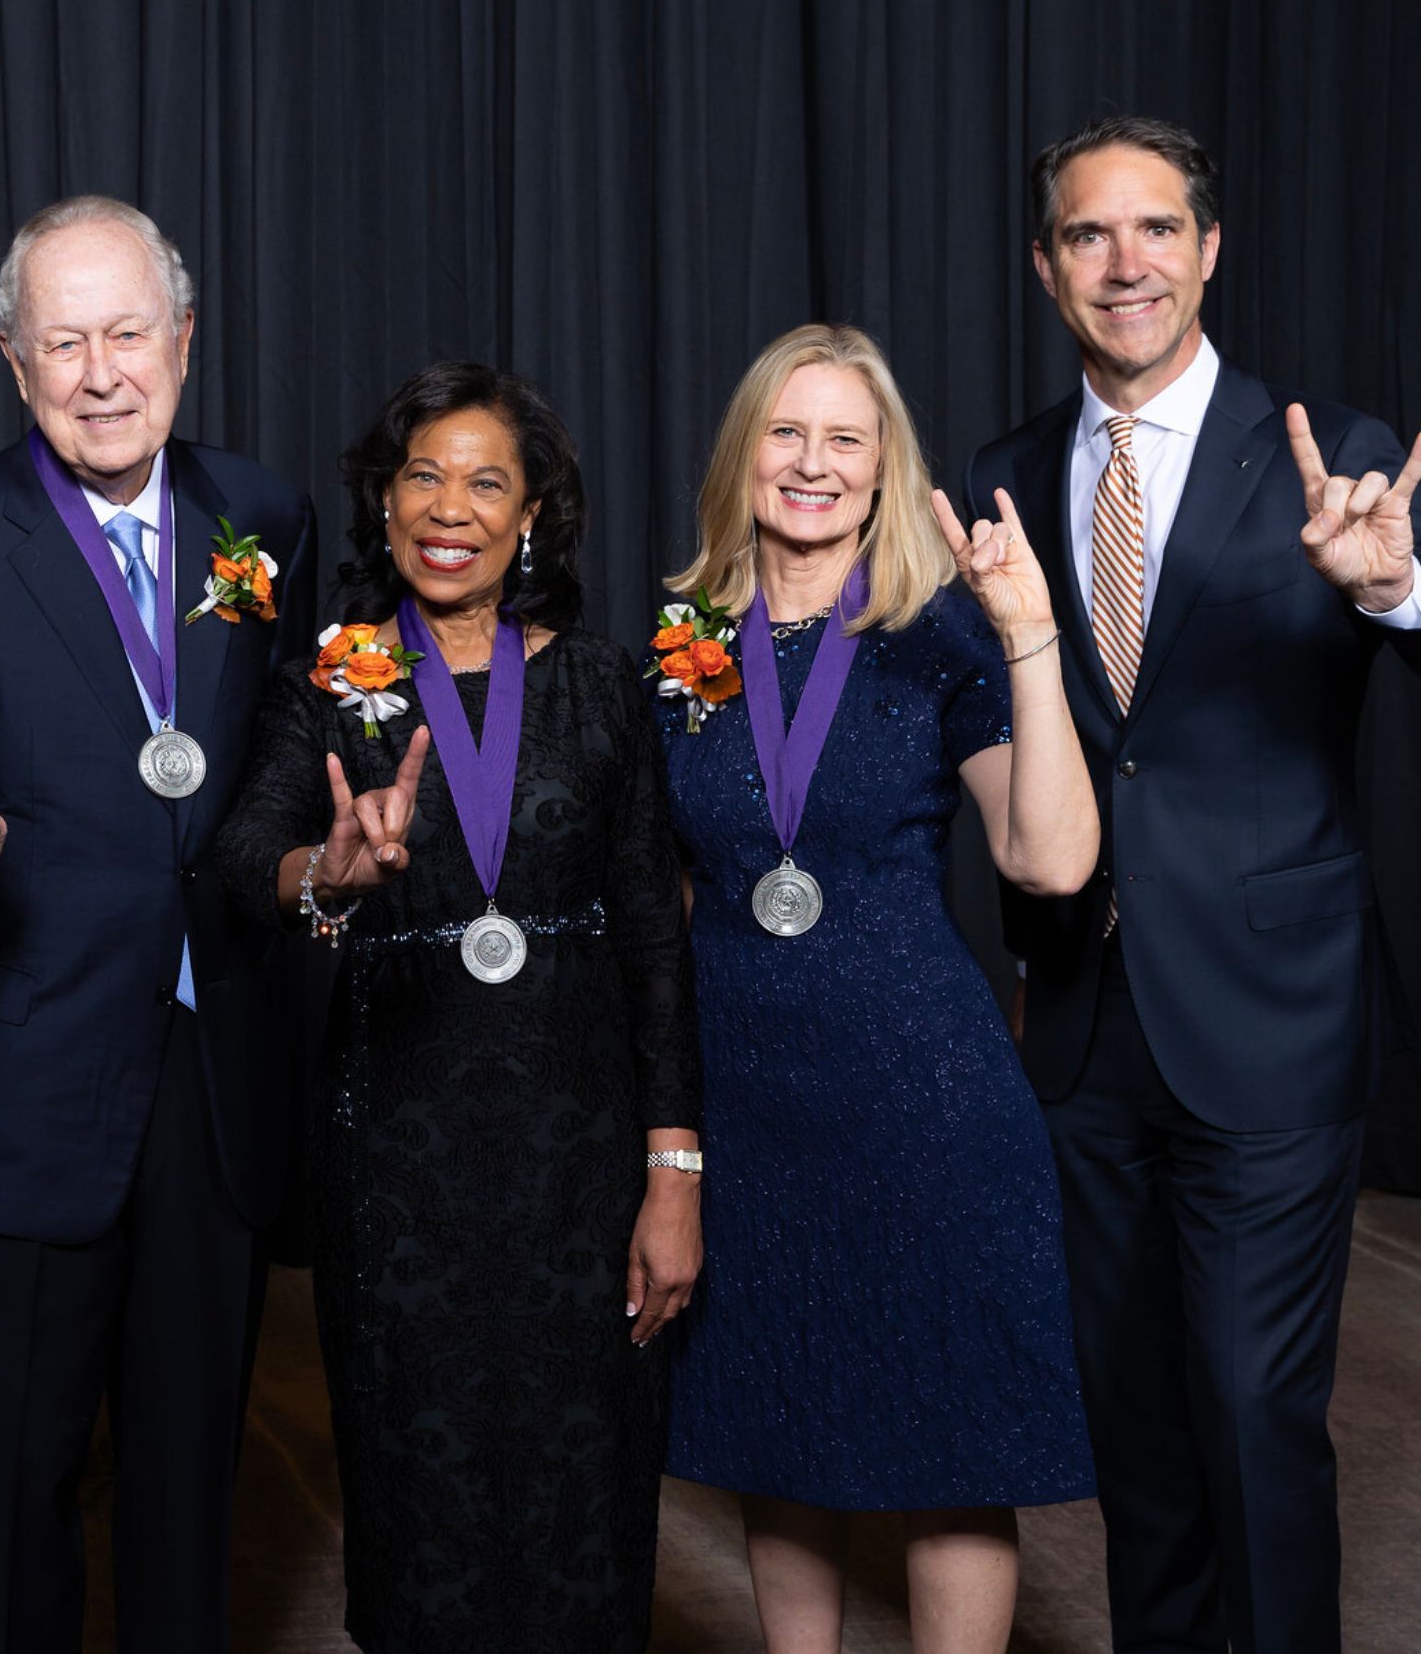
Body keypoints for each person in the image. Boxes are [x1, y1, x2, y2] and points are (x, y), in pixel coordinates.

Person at [965, 116, 1421, 1652]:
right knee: (1138, 1428)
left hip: (1273, 1016)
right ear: (1047, 268)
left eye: (1156, 229)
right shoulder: (1010, 472)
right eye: (1088, 236)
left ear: (1210, 249)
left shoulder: (1339, 455)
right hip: (1087, 1021)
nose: (1126, 263)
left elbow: (1400, 605)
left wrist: (1398, 590)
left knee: (1249, 1403)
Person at [0, 195, 317, 1654]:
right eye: (66, 341)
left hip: (211, 1072)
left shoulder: (266, 517)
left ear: (184, 342)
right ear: (14, 360)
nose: (102, 372)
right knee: (8, 1503)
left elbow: (279, 760)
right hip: (24, 1074)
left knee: (192, 1495)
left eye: (129, 333)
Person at [214, 360, 701, 1652]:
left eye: (488, 480)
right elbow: (240, 858)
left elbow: (658, 940)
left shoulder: (603, 689)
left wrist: (673, 1172)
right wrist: (329, 871)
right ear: (384, 508)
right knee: (417, 1511)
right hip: (401, 1173)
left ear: (532, 512)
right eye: (422, 475)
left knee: (583, 1509)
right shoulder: (334, 685)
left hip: (581, 1170)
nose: (451, 505)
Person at [653, 322, 1096, 1650]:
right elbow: (670, 890)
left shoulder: (942, 630)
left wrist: (1030, 639)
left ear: (885, 465)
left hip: (922, 1101)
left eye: (846, 437)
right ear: (744, 456)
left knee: (948, 1450)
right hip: (750, 1099)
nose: (812, 462)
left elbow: (1054, 858)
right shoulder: (681, 642)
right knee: (777, 1436)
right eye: (786, 432)